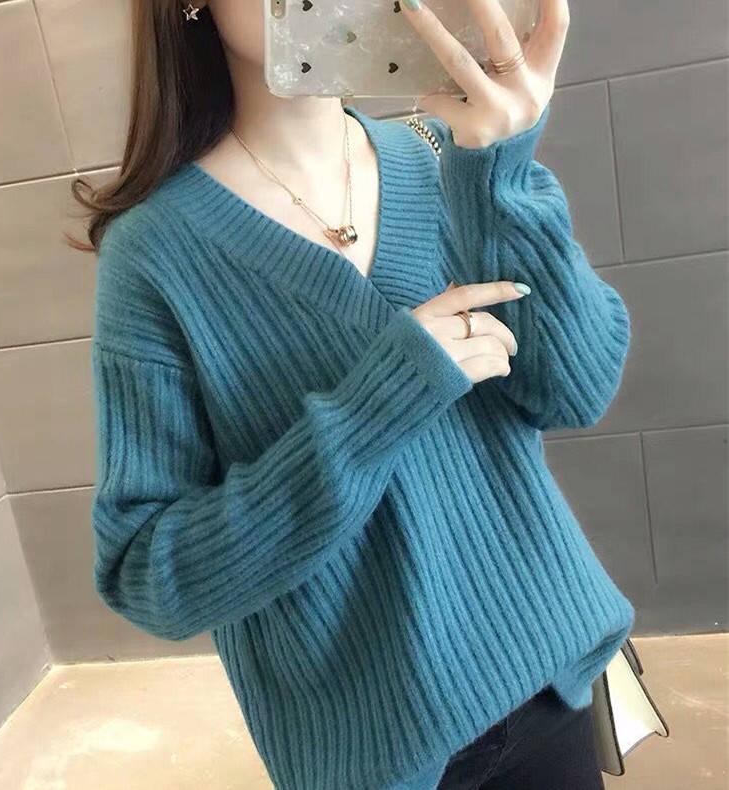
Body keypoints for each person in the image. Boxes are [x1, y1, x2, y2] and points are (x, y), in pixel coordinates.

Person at [73, 1, 634, 787]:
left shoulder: (453, 155)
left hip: (545, 676)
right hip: (371, 748)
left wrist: (503, 171)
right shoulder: (156, 254)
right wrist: (378, 405)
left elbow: (578, 389)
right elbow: (151, 576)